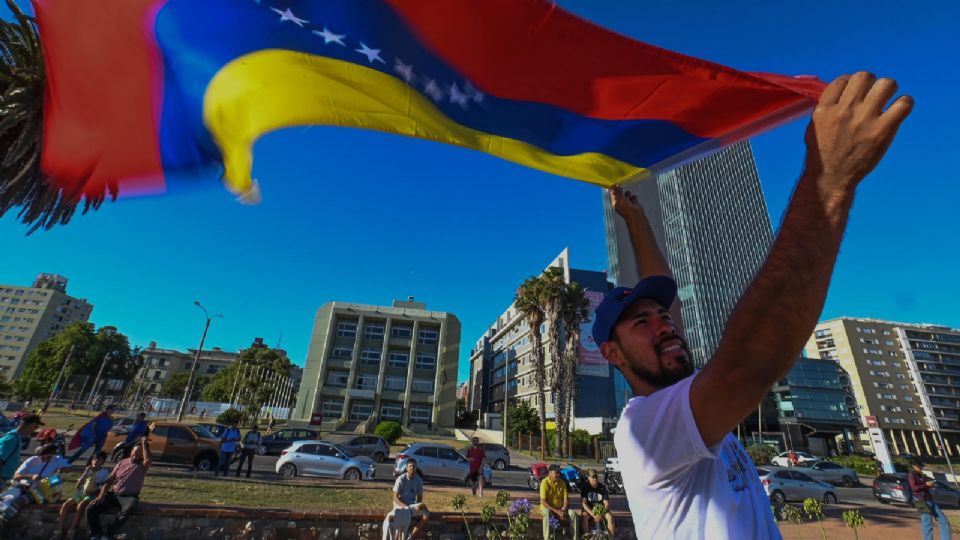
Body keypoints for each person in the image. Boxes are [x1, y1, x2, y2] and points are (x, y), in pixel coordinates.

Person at [593, 72, 912, 538]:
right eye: (642, 322)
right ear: (613, 354)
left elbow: (663, 289)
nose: (664, 325)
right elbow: (748, 364)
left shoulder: (687, 403)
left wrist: (636, 219)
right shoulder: (644, 428)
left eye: (664, 316)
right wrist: (829, 181)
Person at [86, 434, 152, 540]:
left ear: (142, 455)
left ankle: (108, 533)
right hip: (114, 493)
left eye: (138, 454)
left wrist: (144, 442)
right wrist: (100, 496)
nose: (134, 456)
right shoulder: (122, 462)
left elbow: (148, 460)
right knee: (91, 508)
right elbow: (110, 480)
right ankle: (95, 533)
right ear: (131, 451)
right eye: (133, 453)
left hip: (129, 496)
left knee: (129, 509)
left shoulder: (142, 465)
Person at [54, 451, 110, 540]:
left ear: (103, 462)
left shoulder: (104, 473)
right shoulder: (88, 470)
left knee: (81, 505)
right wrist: (85, 473)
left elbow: (105, 486)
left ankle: (72, 529)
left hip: (92, 495)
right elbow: (77, 486)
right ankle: (59, 529)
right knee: (66, 504)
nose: (95, 461)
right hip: (81, 493)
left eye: (99, 460)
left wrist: (96, 489)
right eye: (94, 459)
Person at [908, 458, 951, 540]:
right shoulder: (911, 475)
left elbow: (924, 486)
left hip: (929, 499)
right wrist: (926, 485)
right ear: (914, 466)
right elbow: (914, 488)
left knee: (943, 520)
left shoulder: (921, 474)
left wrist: (930, 485)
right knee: (927, 523)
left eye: (921, 466)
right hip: (920, 500)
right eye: (919, 466)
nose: (921, 467)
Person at [391, 459, 429, 539]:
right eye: (410, 466)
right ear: (406, 468)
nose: (412, 468)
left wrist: (417, 507)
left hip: (411, 505)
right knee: (402, 519)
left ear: (416, 467)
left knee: (426, 513)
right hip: (400, 505)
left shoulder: (419, 480)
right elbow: (395, 498)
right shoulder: (401, 479)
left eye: (414, 466)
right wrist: (405, 507)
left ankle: (411, 536)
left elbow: (419, 498)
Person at [0, 414, 43, 484]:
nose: (35, 430)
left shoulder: (16, 437)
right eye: (36, 427)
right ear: (32, 425)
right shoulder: (12, 439)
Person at [539, 464, 578, 539]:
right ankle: (546, 538)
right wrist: (557, 511)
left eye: (559, 472)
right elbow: (543, 502)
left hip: (560, 509)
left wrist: (563, 511)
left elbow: (566, 500)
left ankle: (574, 538)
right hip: (548, 508)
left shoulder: (562, 482)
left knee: (573, 514)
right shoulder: (544, 483)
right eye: (556, 473)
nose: (558, 474)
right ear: (550, 473)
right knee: (547, 513)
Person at [580, 470, 615, 536]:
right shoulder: (585, 487)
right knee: (584, 517)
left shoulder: (602, 487)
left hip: (601, 511)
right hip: (589, 511)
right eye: (593, 477)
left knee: (609, 516)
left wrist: (600, 514)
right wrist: (593, 514)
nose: (595, 479)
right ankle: (587, 537)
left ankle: (611, 537)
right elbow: (584, 503)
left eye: (596, 477)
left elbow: (606, 504)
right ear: (589, 478)